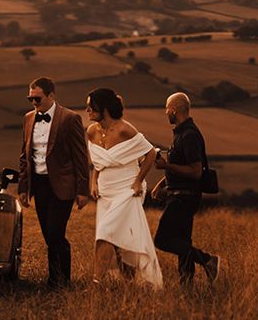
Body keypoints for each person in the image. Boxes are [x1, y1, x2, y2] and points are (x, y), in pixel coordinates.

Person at [85, 88, 162, 288]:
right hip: (105, 191)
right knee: (120, 238)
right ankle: (130, 282)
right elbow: (98, 162)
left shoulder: (125, 130)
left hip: (126, 191)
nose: (87, 111)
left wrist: (138, 181)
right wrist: (93, 182)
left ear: (104, 108)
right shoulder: (91, 131)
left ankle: (96, 282)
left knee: (105, 233)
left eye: (91, 107)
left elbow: (150, 154)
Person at [18, 76, 90, 288]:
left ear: (51, 95)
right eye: (30, 99)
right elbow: (25, 155)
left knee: (55, 232)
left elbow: (80, 156)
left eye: (37, 99)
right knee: (48, 235)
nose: (33, 103)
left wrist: (82, 190)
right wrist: (23, 187)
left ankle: (61, 280)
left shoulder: (70, 118)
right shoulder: (28, 118)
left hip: (62, 185)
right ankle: (55, 278)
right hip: (38, 185)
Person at [152, 92, 220, 287]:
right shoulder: (182, 133)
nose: (166, 112)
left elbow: (195, 171)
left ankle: (207, 260)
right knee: (182, 242)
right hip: (180, 194)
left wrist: (166, 167)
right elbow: (181, 166)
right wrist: (162, 184)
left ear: (174, 109)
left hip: (184, 197)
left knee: (163, 239)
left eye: (167, 108)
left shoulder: (189, 135)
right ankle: (186, 287)